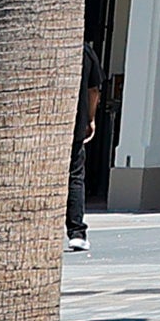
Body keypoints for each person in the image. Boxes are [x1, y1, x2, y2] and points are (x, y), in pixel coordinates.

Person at [66, 31, 104, 251]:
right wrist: (90, 118)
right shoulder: (84, 52)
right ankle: (76, 231)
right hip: (76, 124)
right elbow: (93, 90)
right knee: (74, 178)